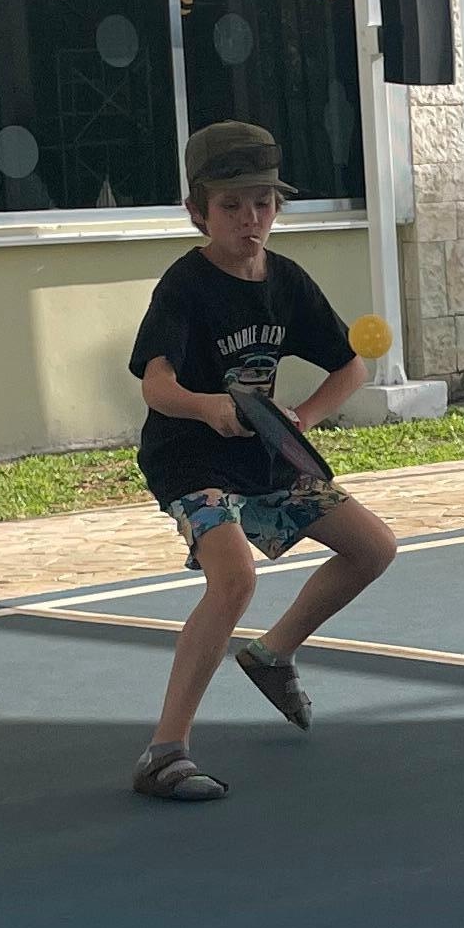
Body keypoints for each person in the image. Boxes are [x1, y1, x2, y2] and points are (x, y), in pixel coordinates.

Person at [123, 119, 400, 802]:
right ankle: (164, 752)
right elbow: (155, 384)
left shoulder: (287, 281)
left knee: (373, 547)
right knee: (234, 580)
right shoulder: (185, 286)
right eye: (231, 206)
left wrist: (302, 417)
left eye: (263, 203)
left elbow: (351, 366)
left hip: (264, 452)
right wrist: (206, 406)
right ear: (197, 212)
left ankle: (273, 654)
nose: (250, 219)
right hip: (190, 457)